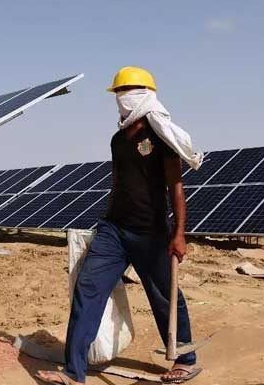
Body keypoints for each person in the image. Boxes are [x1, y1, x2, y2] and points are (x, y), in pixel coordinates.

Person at [36, 67, 204, 384]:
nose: (123, 99)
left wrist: (179, 233)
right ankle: (73, 373)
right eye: (119, 94)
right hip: (113, 230)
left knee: (165, 297)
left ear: (146, 95)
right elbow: (118, 182)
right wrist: (106, 218)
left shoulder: (160, 136)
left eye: (127, 93)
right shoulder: (118, 139)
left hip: (150, 231)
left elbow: (176, 186)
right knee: (88, 288)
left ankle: (185, 359)